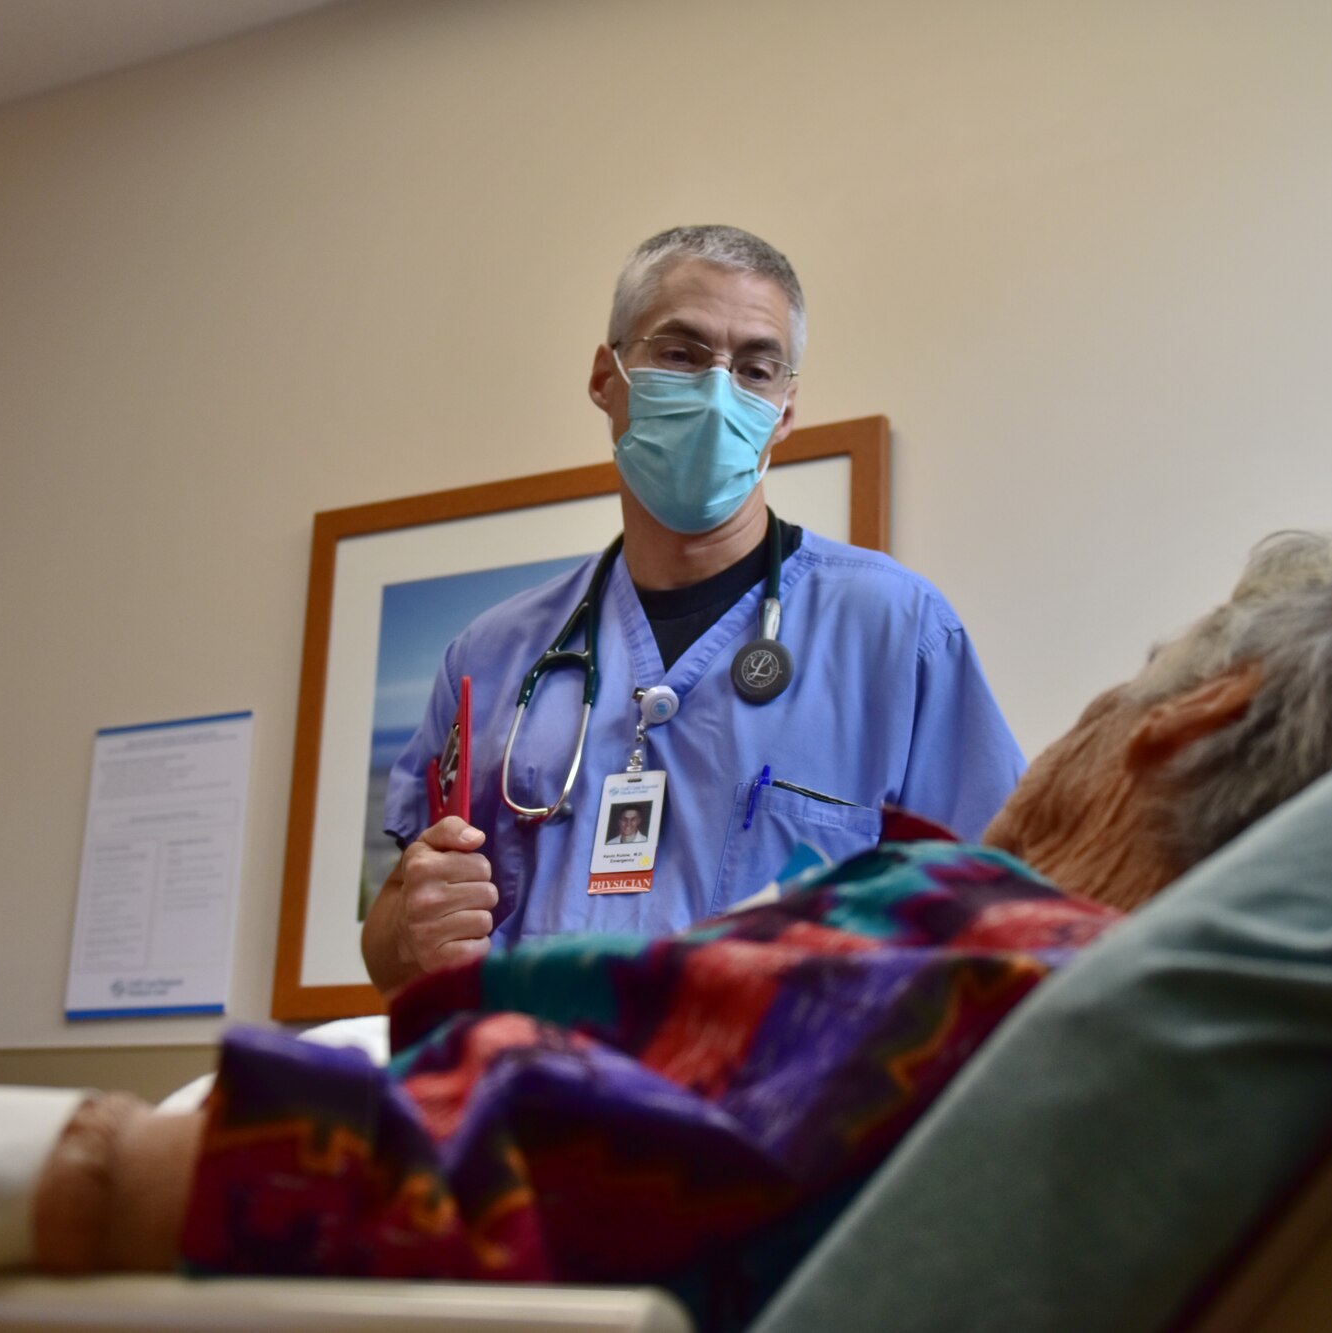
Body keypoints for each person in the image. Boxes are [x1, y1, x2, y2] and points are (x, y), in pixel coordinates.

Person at [0, 531, 1332, 1314]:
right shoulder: (1179, 1047)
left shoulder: (996, 950)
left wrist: (97, 1171)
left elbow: (538, 1165)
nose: (1073, 710)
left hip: (272, 1180)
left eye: (1127, 672)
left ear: (1194, 722)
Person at [362, 226, 1023, 992]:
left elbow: (1007, 915)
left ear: (784, 410)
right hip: (528, 1098)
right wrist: (415, 930)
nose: (718, 391)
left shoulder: (897, 632)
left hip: (777, 1106)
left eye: (755, 368)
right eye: (681, 353)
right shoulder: (492, 653)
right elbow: (388, 940)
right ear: (606, 377)